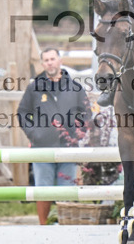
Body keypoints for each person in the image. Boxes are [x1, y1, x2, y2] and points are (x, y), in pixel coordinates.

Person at [17, 48, 90, 224]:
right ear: (42, 64)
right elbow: (22, 112)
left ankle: (65, 226)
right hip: (42, 148)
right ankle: (44, 226)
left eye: (52, 59)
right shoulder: (34, 87)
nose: (49, 62)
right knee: (43, 189)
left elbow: (86, 113)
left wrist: (78, 133)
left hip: (68, 148)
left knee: (67, 190)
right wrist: (34, 134)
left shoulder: (75, 88)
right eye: (46, 60)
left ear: (60, 61)